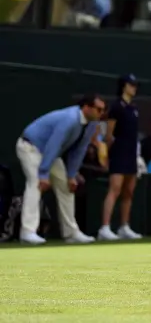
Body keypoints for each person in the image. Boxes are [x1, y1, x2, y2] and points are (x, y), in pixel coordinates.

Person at [16, 94, 105, 244]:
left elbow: (80, 150)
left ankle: (71, 233)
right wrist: (43, 173)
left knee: (67, 186)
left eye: (103, 110)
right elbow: (54, 144)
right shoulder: (69, 119)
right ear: (86, 108)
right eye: (98, 109)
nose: (101, 113)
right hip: (30, 146)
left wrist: (71, 174)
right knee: (36, 183)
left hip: (51, 153)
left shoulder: (91, 124)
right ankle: (27, 232)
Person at [98, 75, 143, 241]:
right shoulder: (116, 106)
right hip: (118, 153)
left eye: (135, 85)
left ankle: (124, 226)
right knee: (115, 189)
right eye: (131, 85)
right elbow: (109, 134)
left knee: (128, 191)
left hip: (132, 153)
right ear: (124, 86)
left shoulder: (134, 108)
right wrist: (106, 155)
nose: (134, 88)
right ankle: (104, 227)